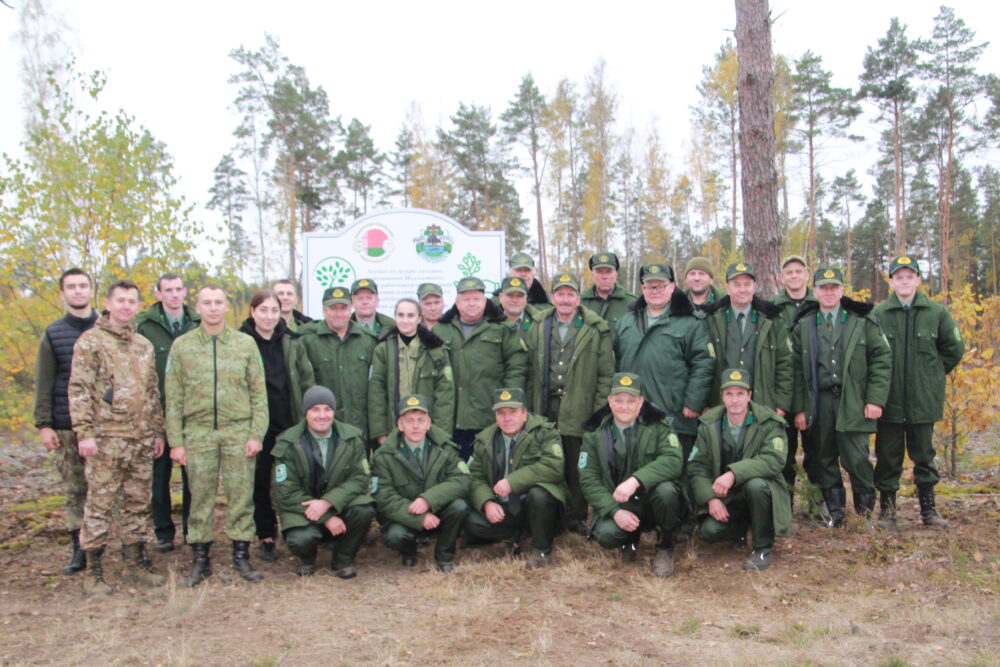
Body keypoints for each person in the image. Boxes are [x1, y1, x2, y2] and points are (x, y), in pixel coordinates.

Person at [165, 285, 269, 586]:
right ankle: (200, 557)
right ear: (196, 308)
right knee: (200, 496)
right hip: (197, 433)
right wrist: (176, 441)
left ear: (227, 307)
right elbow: (173, 398)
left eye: (218, 303)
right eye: (206, 303)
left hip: (238, 430)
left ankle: (241, 553)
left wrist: (255, 434)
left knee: (240, 495)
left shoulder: (244, 344)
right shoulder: (182, 346)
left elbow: (258, 394)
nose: (212, 308)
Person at [69, 279, 166, 594]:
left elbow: (151, 392)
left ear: (138, 306)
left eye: (132, 301)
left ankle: (134, 562)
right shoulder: (91, 342)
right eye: (121, 300)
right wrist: (84, 433)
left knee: (138, 503)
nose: (126, 306)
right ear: (108, 305)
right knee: (100, 503)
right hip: (106, 439)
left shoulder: (143, 345)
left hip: (140, 439)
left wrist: (157, 431)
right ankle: (94, 569)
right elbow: (80, 390)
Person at [790, 268, 891, 527]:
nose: (829, 292)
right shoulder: (804, 325)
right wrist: (800, 409)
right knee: (823, 457)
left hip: (853, 400)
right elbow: (795, 371)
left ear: (842, 290)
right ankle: (834, 512)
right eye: (823, 288)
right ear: (815, 292)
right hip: (819, 402)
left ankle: (864, 514)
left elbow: (881, 360)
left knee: (857, 458)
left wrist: (875, 400)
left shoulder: (862, 322)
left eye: (834, 287)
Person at [872, 255, 964, 529]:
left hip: (923, 403)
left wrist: (931, 377)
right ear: (891, 282)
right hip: (888, 402)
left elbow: (953, 350)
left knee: (924, 457)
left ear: (918, 280)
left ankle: (929, 510)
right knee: (888, 459)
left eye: (909, 276)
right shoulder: (878, 315)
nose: (904, 281)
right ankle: (887, 512)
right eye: (898, 277)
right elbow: (870, 355)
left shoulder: (936, 313)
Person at [525, 272, 614, 535]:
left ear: (578, 297)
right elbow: (529, 368)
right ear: (553, 297)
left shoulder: (596, 328)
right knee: (549, 461)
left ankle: (576, 516)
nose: (565, 299)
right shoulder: (539, 326)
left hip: (580, 406)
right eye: (560, 294)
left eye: (570, 294)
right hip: (545, 406)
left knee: (577, 465)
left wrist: (597, 412)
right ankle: (551, 515)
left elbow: (606, 373)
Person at [579, 373, 685, 578]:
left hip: (651, 502)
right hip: (619, 503)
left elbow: (673, 460)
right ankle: (630, 538)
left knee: (667, 491)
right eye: (618, 401)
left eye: (630, 401)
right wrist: (614, 511)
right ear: (610, 401)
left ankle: (665, 545)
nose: (624, 407)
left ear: (641, 402)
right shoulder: (594, 434)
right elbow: (588, 480)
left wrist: (635, 480)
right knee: (607, 536)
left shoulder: (659, 426)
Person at [238, 289, 315, 562]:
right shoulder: (241, 343)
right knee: (258, 482)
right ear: (253, 312)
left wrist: (308, 418)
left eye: (273, 310)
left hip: (288, 423)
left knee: (289, 481)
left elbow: (307, 380)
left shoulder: (293, 342)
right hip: (256, 427)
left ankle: (294, 527)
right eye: (263, 310)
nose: (269, 316)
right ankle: (266, 535)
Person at [689, 369, 791, 571]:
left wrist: (733, 474)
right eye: (729, 394)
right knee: (708, 532)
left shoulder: (769, 422)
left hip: (759, 492)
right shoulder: (709, 423)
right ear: (722, 396)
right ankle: (740, 531)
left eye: (740, 394)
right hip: (726, 496)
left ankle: (763, 546)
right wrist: (711, 499)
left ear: (749, 395)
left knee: (756, 486)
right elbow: (697, 466)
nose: (734, 400)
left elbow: (774, 460)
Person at [271, 386, 376, 578]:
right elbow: (284, 492)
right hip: (302, 509)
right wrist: (326, 518)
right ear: (306, 413)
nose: (322, 415)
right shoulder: (288, 442)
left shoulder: (352, 438)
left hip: (337, 505)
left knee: (364, 508)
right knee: (301, 539)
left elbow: (360, 479)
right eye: (315, 409)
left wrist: (327, 503)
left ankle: (343, 559)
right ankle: (307, 559)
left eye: (327, 409)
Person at [34, 268, 98, 575]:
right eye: (71, 287)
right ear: (63, 293)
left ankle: (116, 546)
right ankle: (79, 549)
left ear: (91, 290)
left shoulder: (108, 328)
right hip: (66, 423)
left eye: (83, 286)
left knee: (113, 490)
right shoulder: (53, 333)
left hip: (105, 426)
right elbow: (44, 381)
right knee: (76, 489)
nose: (77, 291)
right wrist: (45, 424)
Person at [614, 262, 715, 454]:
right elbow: (616, 361)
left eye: (660, 286)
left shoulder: (690, 322)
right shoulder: (626, 321)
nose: (655, 291)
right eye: (649, 286)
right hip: (633, 413)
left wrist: (694, 401)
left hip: (674, 415)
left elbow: (703, 363)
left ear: (672, 287)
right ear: (642, 289)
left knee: (673, 473)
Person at [465, 388, 568, 569]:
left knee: (539, 495)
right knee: (471, 520)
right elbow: (474, 477)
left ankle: (541, 549)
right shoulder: (484, 440)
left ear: (525, 414)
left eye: (513, 412)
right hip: (504, 506)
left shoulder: (545, 433)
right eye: (501, 413)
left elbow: (554, 467)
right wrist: (487, 503)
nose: (507, 418)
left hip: (533, 505)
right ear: (495, 416)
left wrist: (512, 481)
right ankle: (515, 535)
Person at [371, 394, 471, 573]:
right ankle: (409, 550)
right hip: (404, 515)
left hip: (436, 512)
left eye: (420, 420)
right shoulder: (384, 456)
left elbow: (462, 480)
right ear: (400, 425)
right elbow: (384, 498)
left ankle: (444, 555)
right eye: (409, 421)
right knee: (395, 536)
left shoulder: (445, 447)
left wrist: (428, 500)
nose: (416, 426)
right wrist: (419, 518)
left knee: (459, 506)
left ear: (429, 423)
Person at [136, 272, 199, 554]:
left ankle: (190, 527)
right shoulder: (145, 327)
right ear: (158, 294)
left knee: (193, 478)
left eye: (178, 289)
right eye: (168, 290)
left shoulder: (197, 323)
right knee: (159, 478)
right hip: (158, 414)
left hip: (192, 414)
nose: (174, 295)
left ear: (185, 292)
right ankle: (163, 531)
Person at [433, 277, 528, 460]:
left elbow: (516, 368)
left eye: (476, 299)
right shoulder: (441, 330)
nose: (472, 304)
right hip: (450, 419)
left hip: (489, 416)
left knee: (489, 471)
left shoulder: (502, 329)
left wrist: (508, 405)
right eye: (466, 299)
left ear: (485, 301)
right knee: (454, 472)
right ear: (457, 303)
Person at [702, 262, 792, 414]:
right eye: (736, 285)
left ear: (754, 286)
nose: (742, 289)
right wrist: (703, 403)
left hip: (763, 404)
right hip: (721, 405)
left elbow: (785, 364)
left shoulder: (772, 320)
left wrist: (781, 405)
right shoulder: (712, 320)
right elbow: (703, 364)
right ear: (727, 288)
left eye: (747, 284)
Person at [768, 256, 821, 509]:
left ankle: (816, 505)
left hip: (815, 392)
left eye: (799, 271)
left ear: (807, 275)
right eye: (789, 272)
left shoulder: (820, 302)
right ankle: (784, 506)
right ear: (782, 277)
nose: (794, 275)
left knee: (817, 455)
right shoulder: (772, 307)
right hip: (783, 393)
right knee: (784, 456)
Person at [368, 298, 454, 444]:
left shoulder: (436, 351)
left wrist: (439, 433)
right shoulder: (383, 350)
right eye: (400, 315)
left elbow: (445, 395)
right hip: (394, 428)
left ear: (419, 318)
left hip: (427, 429)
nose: (405, 320)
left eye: (410, 315)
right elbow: (376, 393)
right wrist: (380, 432)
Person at [298, 287, 379, 443]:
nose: (339, 313)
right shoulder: (307, 341)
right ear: (323, 310)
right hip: (323, 427)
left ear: (351, 309)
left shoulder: (368, 340)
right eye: (333, 308)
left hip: (360, 426)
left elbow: (376, 386)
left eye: (343, 308)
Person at [579, 252, 637, 332]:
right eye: (599, 272)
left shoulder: (631, 303)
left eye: (609, 271)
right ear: (592, 275)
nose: (604, 277)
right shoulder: (580, 302)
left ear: (616, 275)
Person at [497, 276, 542, 342]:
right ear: (501, 297)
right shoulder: (491, 323)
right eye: (510, 295)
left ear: (526, 298)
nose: (515, 300)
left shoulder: (539, 323)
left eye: (520, 295)